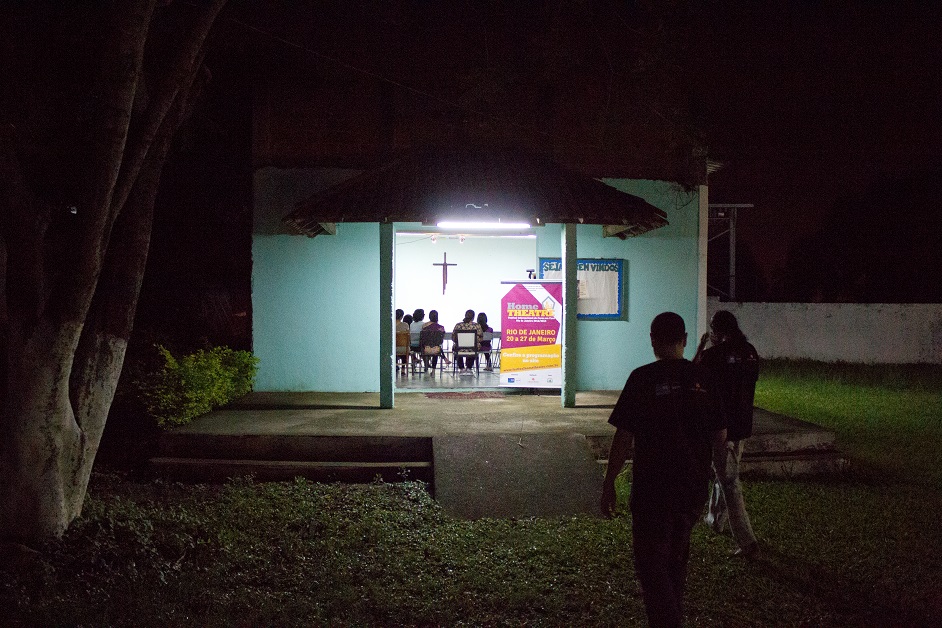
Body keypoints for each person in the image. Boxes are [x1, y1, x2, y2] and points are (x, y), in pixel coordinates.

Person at [601, 312, 727, 628]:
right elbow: (720, 435)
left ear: (653, 341)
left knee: (651, 566)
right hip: (691, 491)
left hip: (652, 492)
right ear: (684, 340)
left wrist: (609, 482)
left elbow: (623, 436)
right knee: (675, 562)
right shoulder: (704, 381)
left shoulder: (642, 378)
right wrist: (720, 477)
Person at [694, 310, 761, 558]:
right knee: (725, 474)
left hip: (721, 429)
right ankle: (714, 518)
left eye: (712, 329)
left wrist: (700, 347)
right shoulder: (751, 352)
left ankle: (748, 542)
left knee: (729, 482)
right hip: (743, 427)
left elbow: (693, 374)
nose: (710, 333)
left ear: (718, 331)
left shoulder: (713, 355)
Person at [452, 309, 482, 374]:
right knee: (476, 346)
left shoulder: (458, 325)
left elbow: (453, 338)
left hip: (459, 349)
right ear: (473, 317)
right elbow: (481, 338)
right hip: (473, 349)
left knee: (455, 347)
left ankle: (461, 368)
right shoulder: (477, 326)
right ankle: (469, 367)